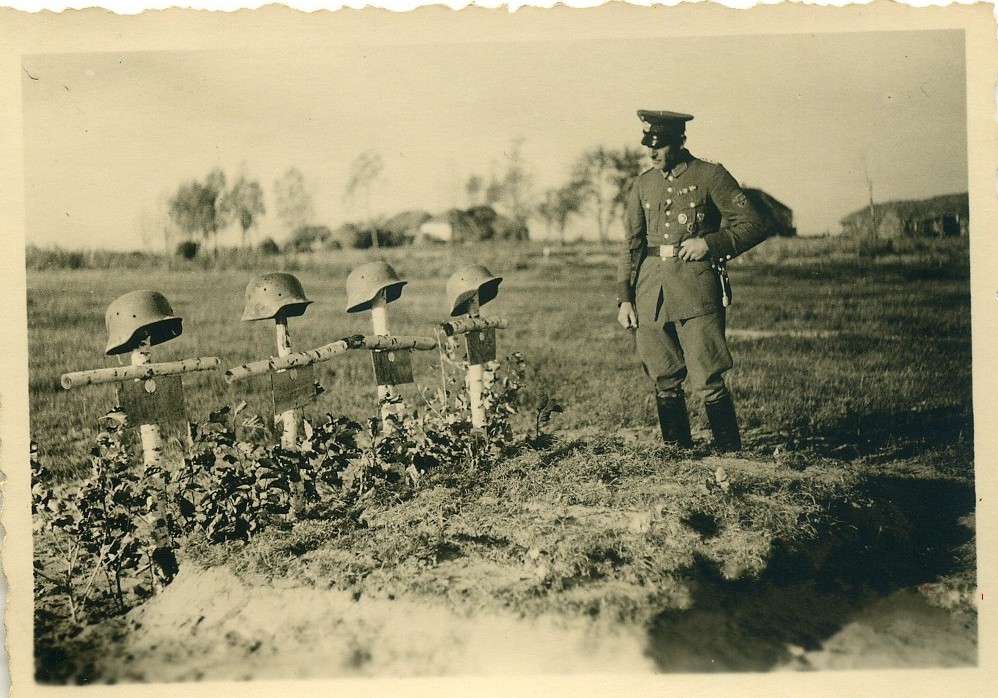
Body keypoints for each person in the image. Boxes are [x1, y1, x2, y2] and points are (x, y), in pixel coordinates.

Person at [616, 110, 769, 451]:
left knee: (708, 376)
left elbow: (755, 223)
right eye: (648, 146)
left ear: (680, 141)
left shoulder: (710, 175)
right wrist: (624, 298)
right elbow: (632, 245)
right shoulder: (643, 184)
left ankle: (730, 455)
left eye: (661, 145)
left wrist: (710, 244)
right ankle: (677, 455)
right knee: (663, 376)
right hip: (650, 290)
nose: (652, 153)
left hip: (696, 288)